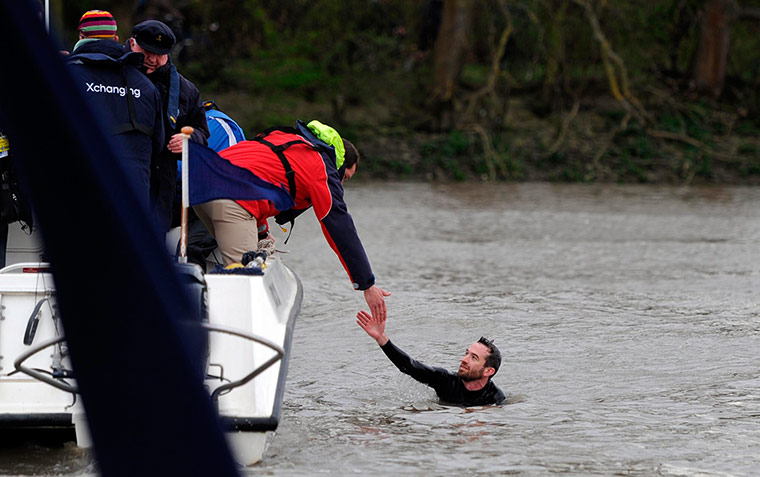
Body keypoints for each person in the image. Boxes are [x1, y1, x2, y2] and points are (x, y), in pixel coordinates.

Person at [193, 119, 390, 321]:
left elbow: (260, 173)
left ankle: (201, 310)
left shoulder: (289, 141)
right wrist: (366, 284)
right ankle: (232, 339)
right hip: (232, 194)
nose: (341, 184)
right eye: (345, 178)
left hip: (200, 184)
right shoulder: (322, 166)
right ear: (339, 164)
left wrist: (262, 232)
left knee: (228, 263)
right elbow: (339, 225)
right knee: (245, 284)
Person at [66, 10, 164, 207]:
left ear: (81, 37)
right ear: (116, 38)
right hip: (135, 195)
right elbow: (158, 143)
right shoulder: (145, 85)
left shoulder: (66, 76)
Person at [128, 19, 209, 231]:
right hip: (120, 175)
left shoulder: (186, 90)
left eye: (160, 54)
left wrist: (189, 141)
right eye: (147, 53)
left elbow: (202, 132)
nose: (152, 60)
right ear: (132, 43)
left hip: (161, 185)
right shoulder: (112, 73)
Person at [357, 310, 506, 406]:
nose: (464, 359)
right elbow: (410, 366)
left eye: (473, 358)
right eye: (466, 353)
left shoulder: (495, 398)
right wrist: (381, 338)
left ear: (488, 371)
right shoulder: (445, 381)